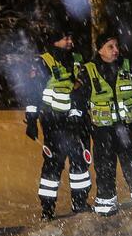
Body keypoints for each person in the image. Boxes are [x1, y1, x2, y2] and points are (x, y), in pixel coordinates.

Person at [74, 33, 132, 216]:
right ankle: (106, 208)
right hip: (103, 132)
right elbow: (78, 101)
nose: (116, 50)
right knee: (104, 169)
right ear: (100, 49)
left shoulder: (127, 67)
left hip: (127, 129)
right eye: (110, 46)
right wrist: (78, 123)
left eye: (116, 46)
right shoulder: (88, 70)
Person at [25, 27, 91, 220]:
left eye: (71, 37)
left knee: (80, 162)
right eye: (65, 38)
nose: (70, 41)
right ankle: (47, 209)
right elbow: (33, 93)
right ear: (55, 41)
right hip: (53, 121)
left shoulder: (79, 58)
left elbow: (85, 86)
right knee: (53, 164)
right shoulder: (43, 61)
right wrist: (31, 120)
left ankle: (79, 203)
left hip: (77, 120)